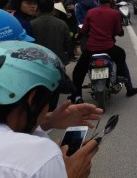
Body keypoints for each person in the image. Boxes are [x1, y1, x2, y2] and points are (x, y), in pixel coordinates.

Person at [0, 40, 99, 178]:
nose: (47, 108)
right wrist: (71, 174)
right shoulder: (40, 156)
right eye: (48, 102)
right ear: (32, 100)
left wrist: (48, 121)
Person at [70, 0, 137, 104]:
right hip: (109, 48)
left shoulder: (91, 12)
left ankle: (77, 96)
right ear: (111, 0)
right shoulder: (115, 13)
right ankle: (129, 87)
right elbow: (118, 31)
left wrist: (79, 36)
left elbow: (84, 29)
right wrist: (119, 33)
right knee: (121, 57)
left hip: (91, 49)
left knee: (78, 72)